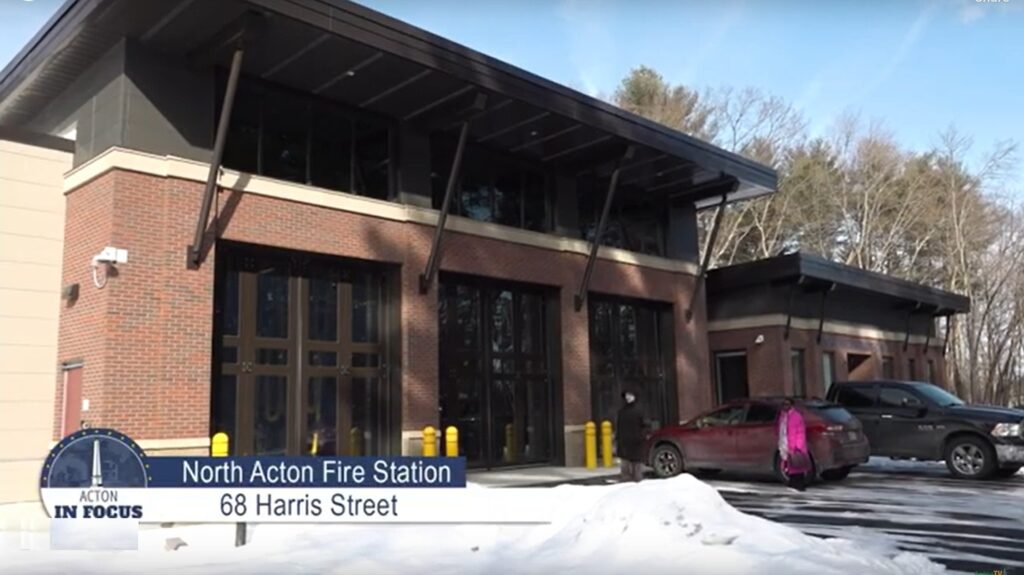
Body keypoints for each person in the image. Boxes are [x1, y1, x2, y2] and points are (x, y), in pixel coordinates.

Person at [777, 398, 811, 491]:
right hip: (786, 444)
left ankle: (799, 485)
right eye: (784, 404)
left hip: (796, 445)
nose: (785, 406)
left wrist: (797, 446)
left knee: (797, 465)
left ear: (792, 405)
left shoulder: (796, 416)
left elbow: (800, 432)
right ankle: (793, 484)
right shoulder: (783, 416)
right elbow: (782, 430)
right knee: (790, 465)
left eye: (787, 404)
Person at [616, 391, 646, 482]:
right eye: (627, 395)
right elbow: (619, 426)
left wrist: (641, 436)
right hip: (624, 442)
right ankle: (626, 483)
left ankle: (637, 483)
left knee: (636, 466)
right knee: (625, 466)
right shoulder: (621, 411)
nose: (628, 397)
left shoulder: (639, 410)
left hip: (636, 442)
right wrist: (618, 439)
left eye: (630, 395)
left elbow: (644, 425)